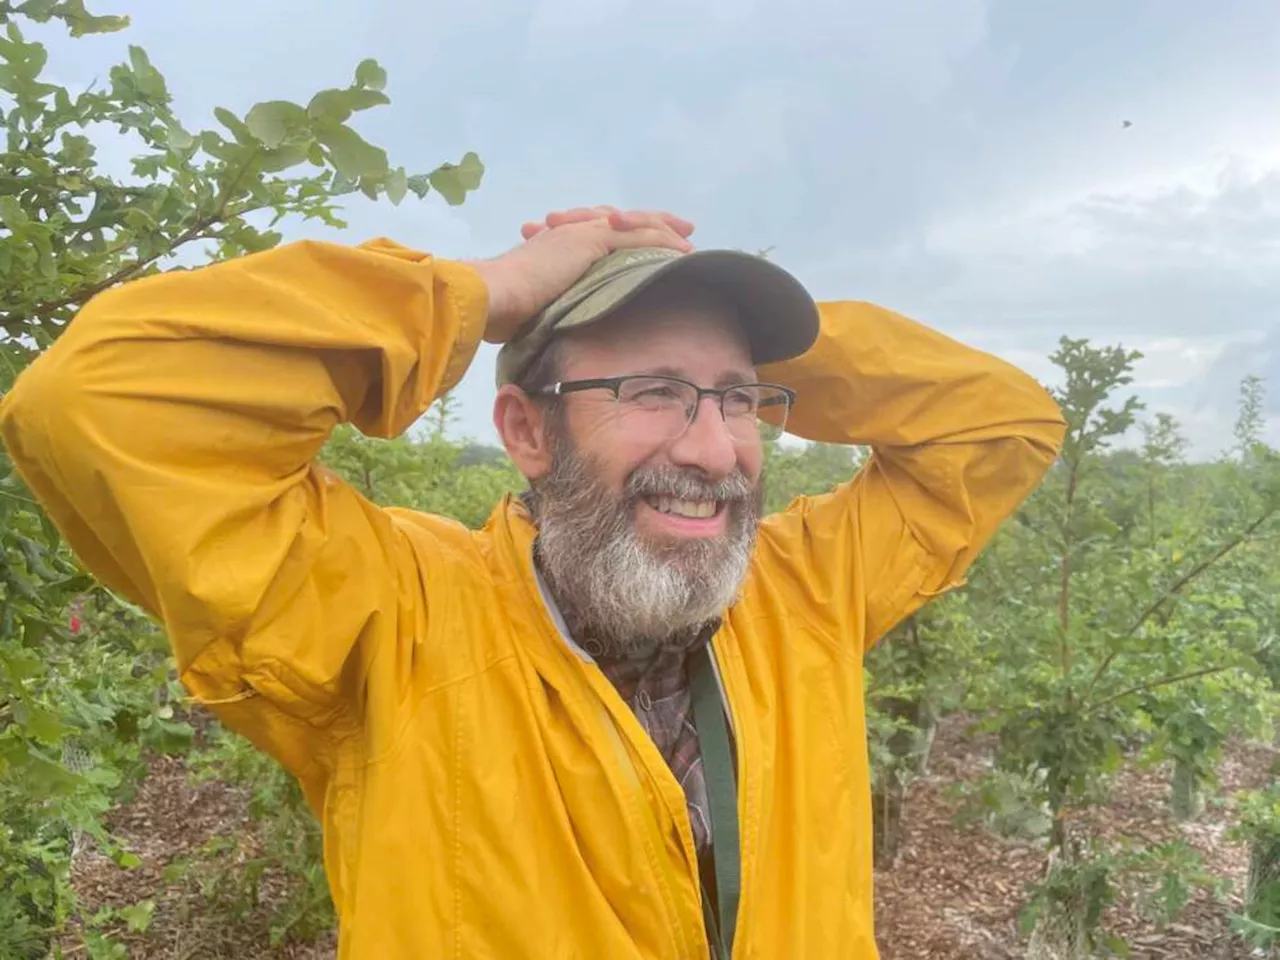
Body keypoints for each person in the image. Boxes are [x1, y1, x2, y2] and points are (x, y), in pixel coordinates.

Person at [0, 205, 1066, 958]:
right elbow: (96, 401)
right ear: (525, 430)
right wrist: (485, 294)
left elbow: (1003, 423)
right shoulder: (389, 617)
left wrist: (746, 320)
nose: (710, 449)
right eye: (651, 391)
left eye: (738, 402)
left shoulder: (803, 592)